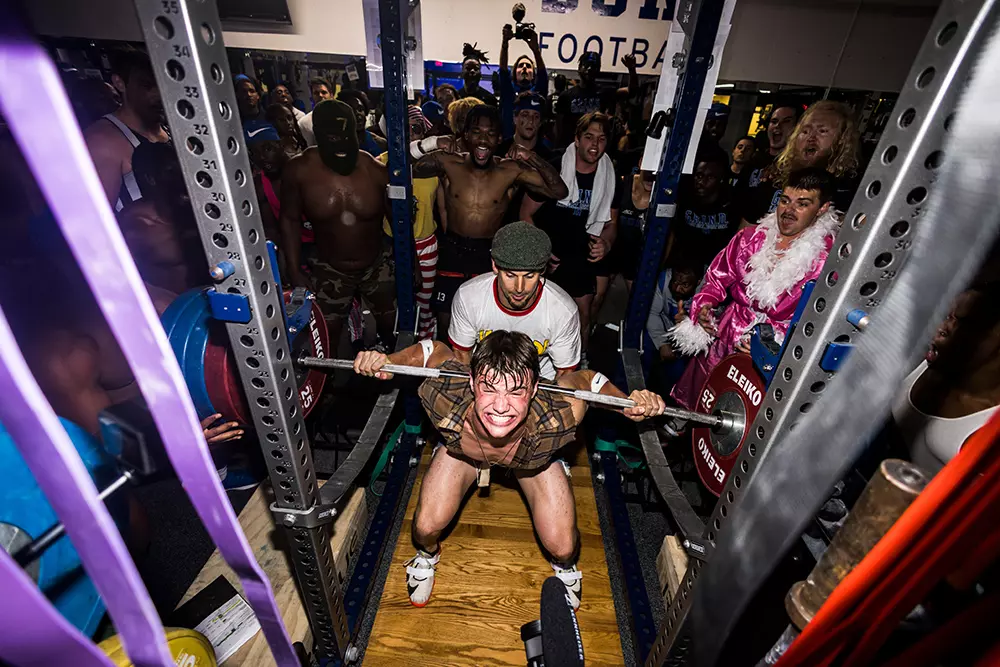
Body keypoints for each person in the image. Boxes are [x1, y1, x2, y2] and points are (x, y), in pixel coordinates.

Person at [352, 330, 667, 608]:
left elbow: (588, 381)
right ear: (473, 383)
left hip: (533, 459)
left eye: (516, 391)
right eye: (490, 388)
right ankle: (427, 556)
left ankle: (565, 569)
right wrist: (386, 360)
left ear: (533, 390)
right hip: (465, 452)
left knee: (563, 546)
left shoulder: (558, 412)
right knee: (424, 528)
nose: (501, 406)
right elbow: (430, 351)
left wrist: (629, 401)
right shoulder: (446, 395)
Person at [667, 168, 840, 426]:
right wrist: (704, 306)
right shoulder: (751, 239)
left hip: (767, 360)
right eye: (785, 200)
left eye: (802, 204)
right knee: (698, 405)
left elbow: (819, 321)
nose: (788, 211)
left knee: (740, 424)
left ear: (822, 208)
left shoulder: (825, 262)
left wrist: (774, 346)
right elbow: (716, 277)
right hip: (725, 337)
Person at [413, 105, 567, 337]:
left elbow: (559, 191)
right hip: (452, 251)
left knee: (485, 323)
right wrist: (431, 143)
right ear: (466, 135)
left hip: (487, 254)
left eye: (490, 133)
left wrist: (531, 156)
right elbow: (398, 168)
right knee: (446, 322)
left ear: (499, 138)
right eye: (476, 132)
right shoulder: (449, 162)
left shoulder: (510, 170)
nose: (483, 139)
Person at [279, 100, 396, 349]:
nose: (339, 145)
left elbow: (398, 221)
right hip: (329, 266)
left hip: (375, 263)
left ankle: (394, 377)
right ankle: (328, 380)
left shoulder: (375, 170)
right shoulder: (299, 171)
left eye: (345, 137)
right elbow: (289, 220)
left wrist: (412, 263)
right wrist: (294, 268)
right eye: (331, 138)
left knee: (391, 326)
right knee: (325, 334)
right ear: (318, 136)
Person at [891, 243, 1000, 475]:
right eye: (947, 316)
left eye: (961, 324)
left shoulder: (988, 429)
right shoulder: (922, 360)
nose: (940, 329)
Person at [522, 112, 618, 363]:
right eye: (588, 137)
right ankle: (533, 363)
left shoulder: (609, 174)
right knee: (539, 313)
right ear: (577, 139)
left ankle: (579, 362)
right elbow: (525, 214)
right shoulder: (553, 167)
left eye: (601, 138)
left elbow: (611, 223)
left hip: (580, 254)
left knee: (582, 315)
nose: (595, 145)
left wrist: (606, 243)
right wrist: (540, 253)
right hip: (549, 253)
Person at [449, 222, 580, 380]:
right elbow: (462, 355)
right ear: (495, 266)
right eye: (510, 275)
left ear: (543, 270)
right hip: (483, 380)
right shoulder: (469, 297)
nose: (519, 288)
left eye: (529, 276)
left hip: (539, 383)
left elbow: (565, 374)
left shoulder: (563, 311)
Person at [738, 101, 859, 228]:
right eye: (805, 131)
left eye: (822, 131)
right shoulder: (774, 178)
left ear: (841, 140)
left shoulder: (847, 192)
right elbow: (746, 228)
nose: (811, 137)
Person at [118, 142, 206, 312]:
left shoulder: (198, 209)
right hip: (174, 316)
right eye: (172, 172)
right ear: (150, 180)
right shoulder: (137, 226)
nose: (181, 179)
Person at [379, 106, 440, 339]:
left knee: (425, 301)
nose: (411, 134)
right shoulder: (382, 163)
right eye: (404, 130)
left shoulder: (434, 166)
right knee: (394, 299)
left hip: (427, 241)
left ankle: (423, 345)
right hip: (392, 242)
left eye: (416, 129)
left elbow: (442, 205)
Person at [83, 49, 169, 211]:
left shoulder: (170, 130)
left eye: (163, 84)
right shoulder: (102, 141)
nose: (158, 94)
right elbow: (94, 219)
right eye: (147, 85)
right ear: (119, 83)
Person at [591, 168, 652, 321]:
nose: (651, 177)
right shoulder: (623, 183)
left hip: (635, 255)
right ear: (641, 163)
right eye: (649, 172)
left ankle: (631, 336)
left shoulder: (664, 194)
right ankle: (587, 328)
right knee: (596, 298)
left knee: (637, 303)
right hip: (611, 248)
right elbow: (608, 219)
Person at [668, 147, 738, 270]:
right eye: (699, 176)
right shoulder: (685, 196)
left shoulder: (732, 202)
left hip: (717, 267)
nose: (701, 182)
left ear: (721, 179)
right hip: (685, 265)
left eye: (710, 178)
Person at [555, 51, 638, 147]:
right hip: (571, 148)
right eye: (586, 65)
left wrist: (632, 69)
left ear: (598, 70)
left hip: (593, 148)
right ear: (579, 68)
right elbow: (558, 127)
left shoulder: (603, 92)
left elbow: (631, 92)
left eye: (593, 66)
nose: (589, 69)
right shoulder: (566, 96)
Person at [646, 263, 702, 395]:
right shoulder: (663, 280)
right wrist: (662, 343)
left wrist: (689, 324)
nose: (677, 288)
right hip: (664, 330)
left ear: (698, 282)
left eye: (685, 285)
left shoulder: (708, 289)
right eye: (675, 281)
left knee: (680, 375)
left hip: (694, 340)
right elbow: (652, 313)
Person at [498, 23, 548, 138]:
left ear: (534, 75)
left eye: (528, 66)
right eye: (521, 66)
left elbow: (543, 76)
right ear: (514, 73)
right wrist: (505, 43)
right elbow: (503, 71)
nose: (525, 67)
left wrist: (536, 51)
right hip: (508, 147)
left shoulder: (537, 94)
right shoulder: (508, 93)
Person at [338, 89, 387, 157]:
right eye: (351, 110)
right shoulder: (336, 145)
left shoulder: (380, 143)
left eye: (360, 109)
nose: (357, 113)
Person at [298, 77, 335, 146]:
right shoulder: (304, 123)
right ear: (312, 97)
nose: (320, 95)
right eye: (316, 93)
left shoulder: (342, 117)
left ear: (331, 96)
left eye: (324, 92)